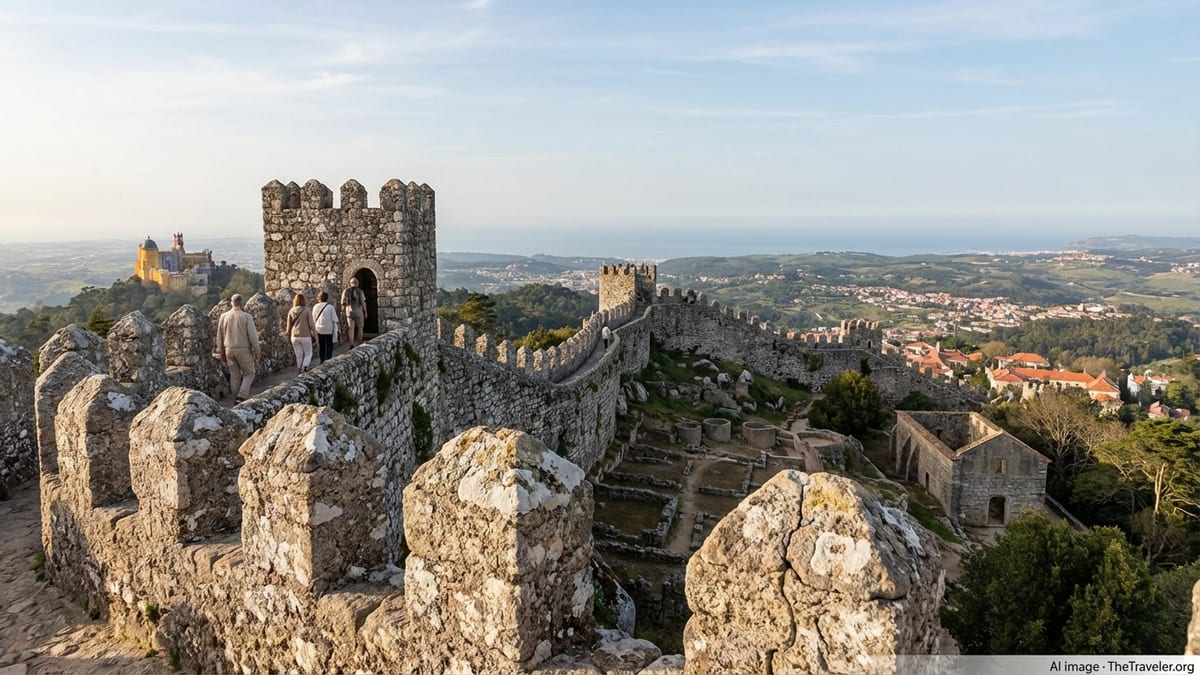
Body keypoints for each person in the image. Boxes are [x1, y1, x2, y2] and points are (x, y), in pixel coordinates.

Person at [216, 293, 260, 403]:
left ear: (232, 303)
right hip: (243, 349)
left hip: (228, 350)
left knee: (234, 375)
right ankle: (241, 396)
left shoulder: (223, 316)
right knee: (249, 373)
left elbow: (219, 335)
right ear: (242, 303)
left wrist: (220, 351)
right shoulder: (246, 317)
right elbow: (253, 336)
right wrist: (257, 350)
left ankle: (235, 398)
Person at [286, 293, 317, 374]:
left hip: (294, 336)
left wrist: (288, 335)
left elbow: (288, 326)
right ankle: (305, 368)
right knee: (308, 353)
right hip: (305, 335)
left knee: (298, 354)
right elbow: (311, 324)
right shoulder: (307, 310)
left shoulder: (291, 310)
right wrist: (315, 333)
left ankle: (299, 369)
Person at [312, 290, 339, 363]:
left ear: (318, 298)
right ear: (327, 298)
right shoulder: (330, 307)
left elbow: (313, 319)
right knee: (329, 346)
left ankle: (322, 360)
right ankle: (328, 361)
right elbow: (335, 319)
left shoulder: (315, 307)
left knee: (322, 346)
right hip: (328, 330)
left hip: (319, 330)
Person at [341, 277, 367, 348]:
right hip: (358, 310)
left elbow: (343, 302)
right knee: (360, 327)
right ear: (357, 283)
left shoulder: (346, 291)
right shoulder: (360, 291)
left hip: (349, 311)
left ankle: (351, 343)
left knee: (351, 328)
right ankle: (360, 342)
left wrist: (343, 311)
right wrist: (365, 311)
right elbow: (363, 302)